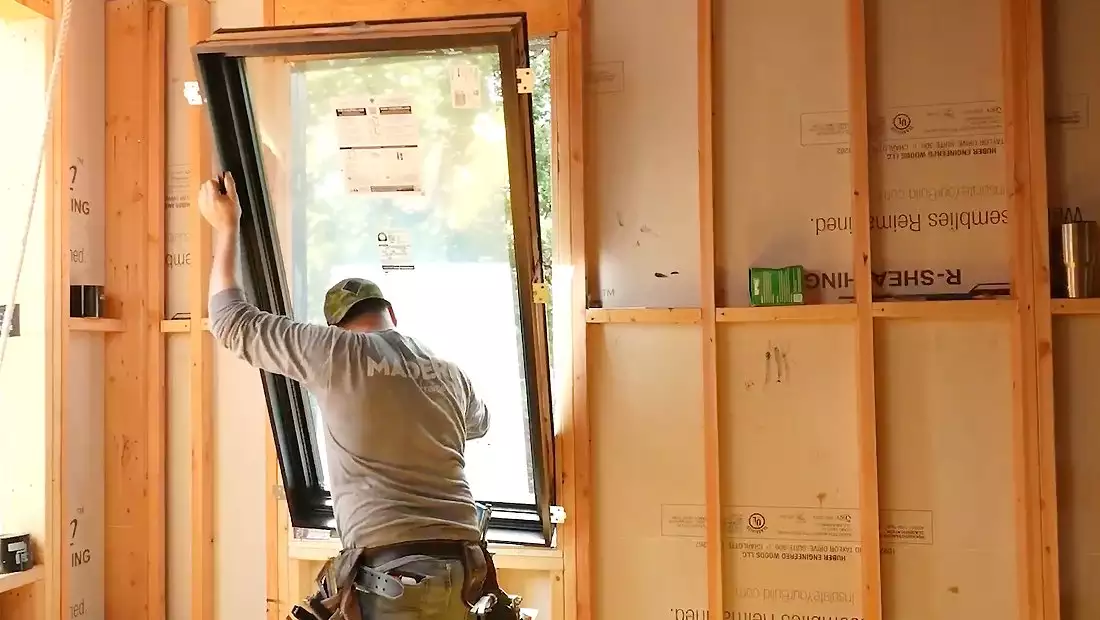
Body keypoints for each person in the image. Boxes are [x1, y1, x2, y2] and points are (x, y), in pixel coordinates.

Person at [198, 172, 521, 619]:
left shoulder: (334, 353)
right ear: (391, 313)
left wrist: (226, 228)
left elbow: (231, 322)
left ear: (336, 327)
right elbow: (480, 423)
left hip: (394, 582)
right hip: (465, 573)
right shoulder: (448, 374)